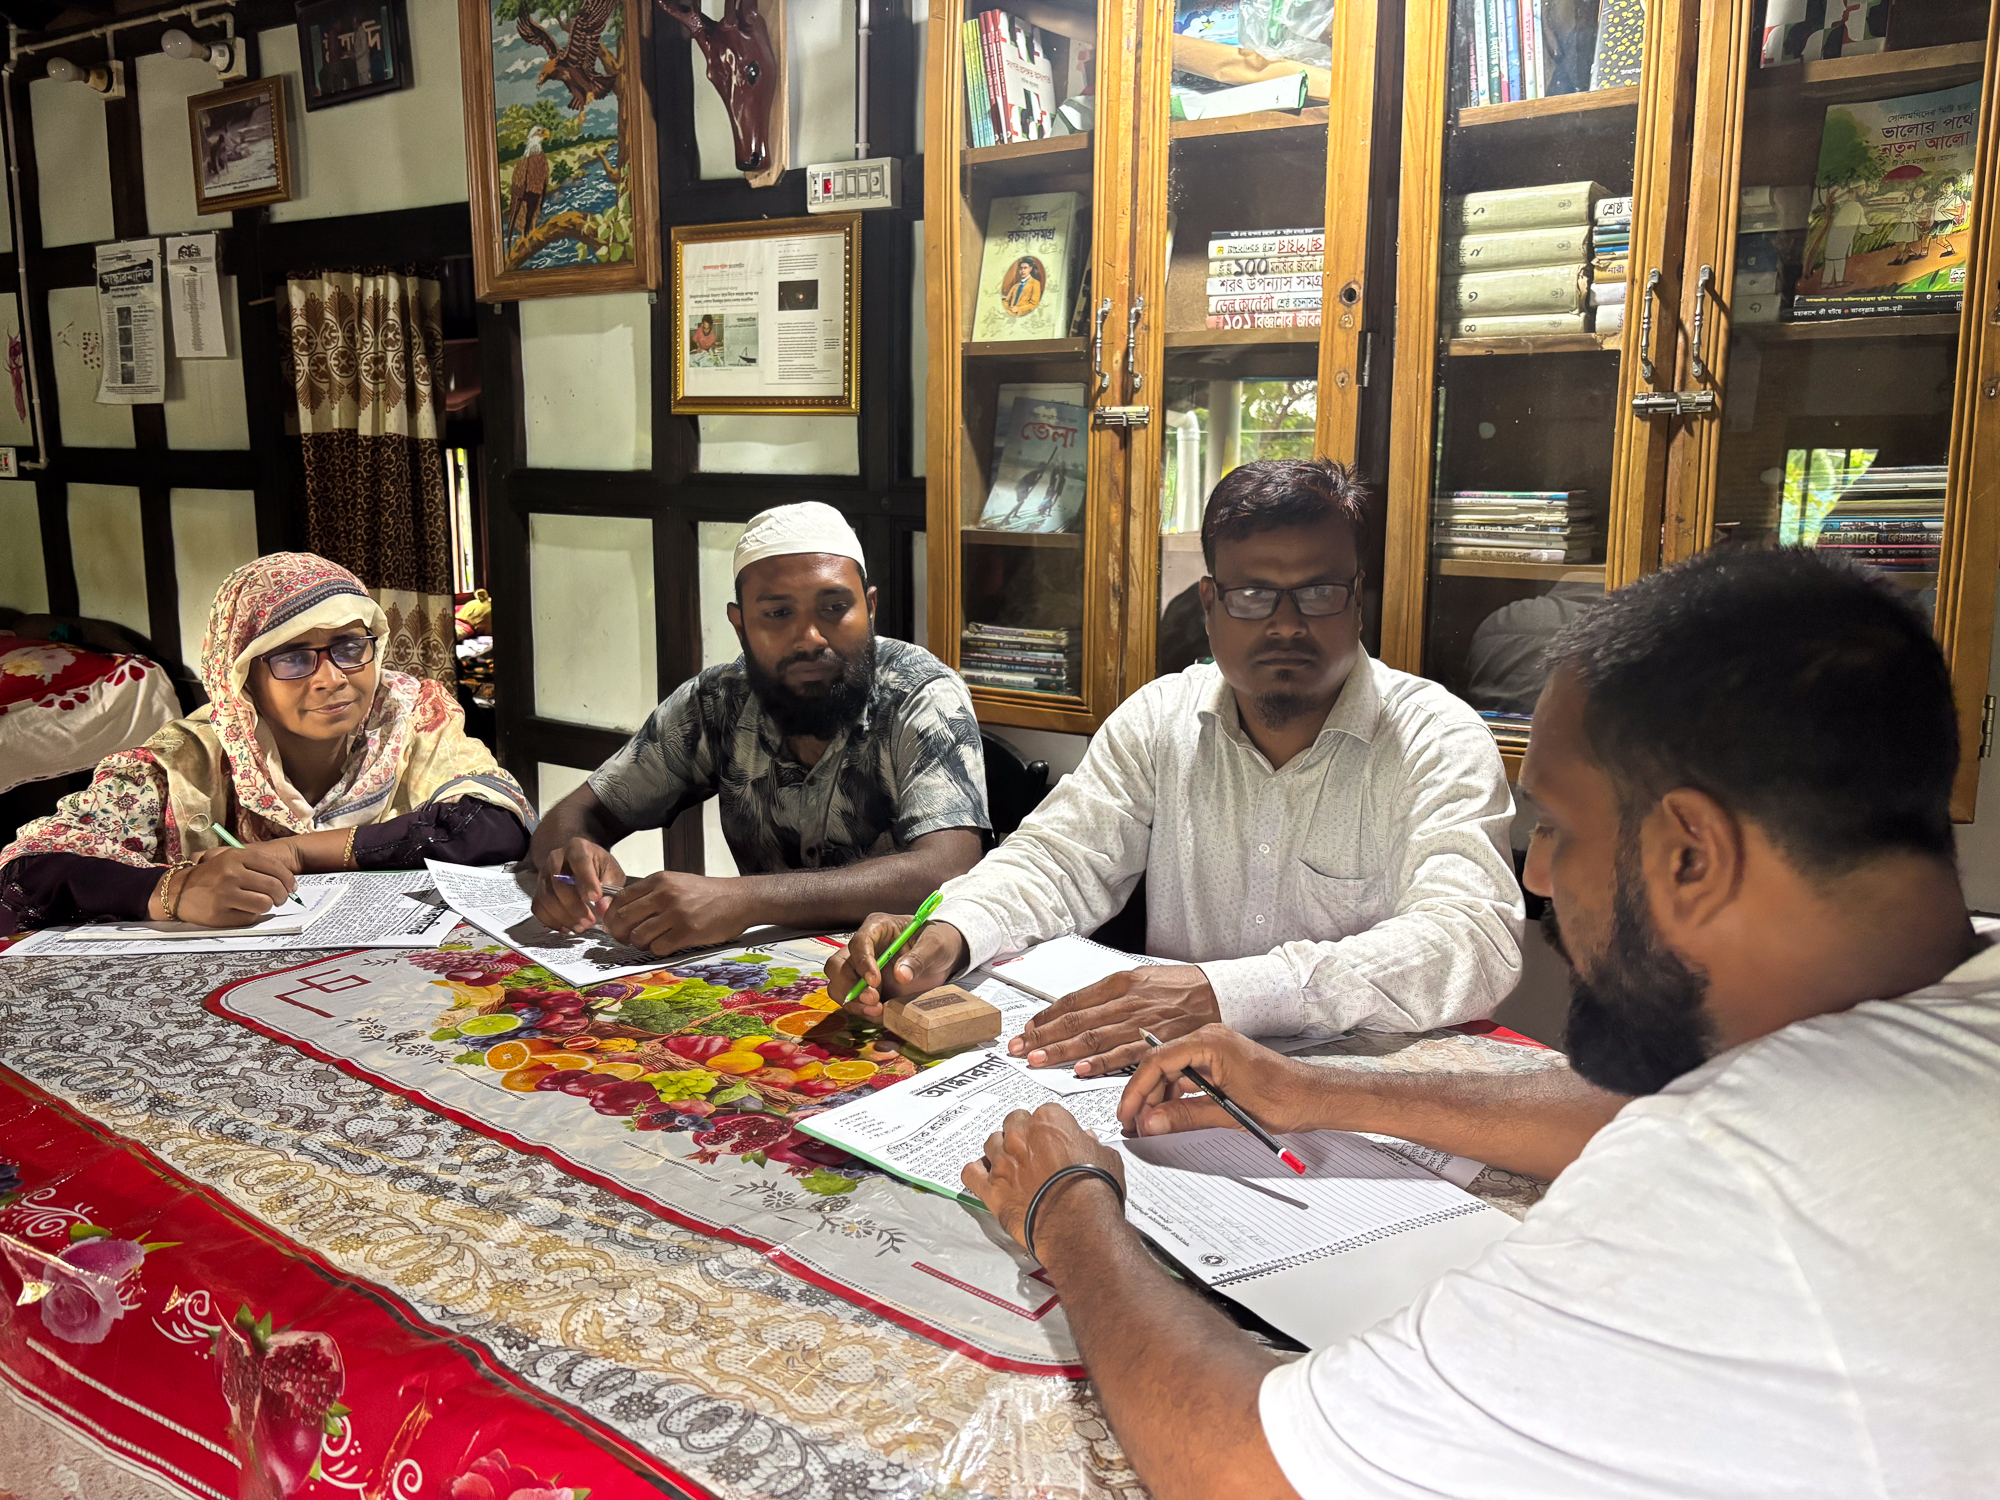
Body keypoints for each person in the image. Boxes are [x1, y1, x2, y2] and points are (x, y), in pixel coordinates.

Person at [960, 547, 1997, 1498]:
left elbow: (1238, 1463)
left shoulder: (1725, 1177)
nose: (1536, 875)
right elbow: (1625, 1107)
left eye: (1557, 825)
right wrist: (1322, 1089)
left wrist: (1070, 1206)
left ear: (1689, 854)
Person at [831, 459, 1522, 1077]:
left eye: (1318, 593)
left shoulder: (1437, 737)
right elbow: (1056, 862)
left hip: (1354, 1098)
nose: (1286, 625)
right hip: (1170, 1083)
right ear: (1210, 604)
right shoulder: (1161, 719)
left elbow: (1473, 936)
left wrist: (1227, 995)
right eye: (1253, 595)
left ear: (1358, 595)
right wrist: (950, 932)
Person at [530, 501, 988, 955]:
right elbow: (580, 813)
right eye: (777, 614)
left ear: (869, 609)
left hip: (897, 974)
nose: (810, 638)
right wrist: (570, 862)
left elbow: (947, 868)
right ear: (740, 624)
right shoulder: (717, 701)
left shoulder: (921, 693)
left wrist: (745, 900)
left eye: (834, 607)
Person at [0, 554, 534, 934]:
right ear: (243, 679)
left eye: (350, 646)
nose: (332, 678)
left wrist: (293, 851)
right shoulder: (187, 761)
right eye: (294, 658)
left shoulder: (409, 714)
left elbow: (490, 825)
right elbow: (27, 874)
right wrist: (174, 894)